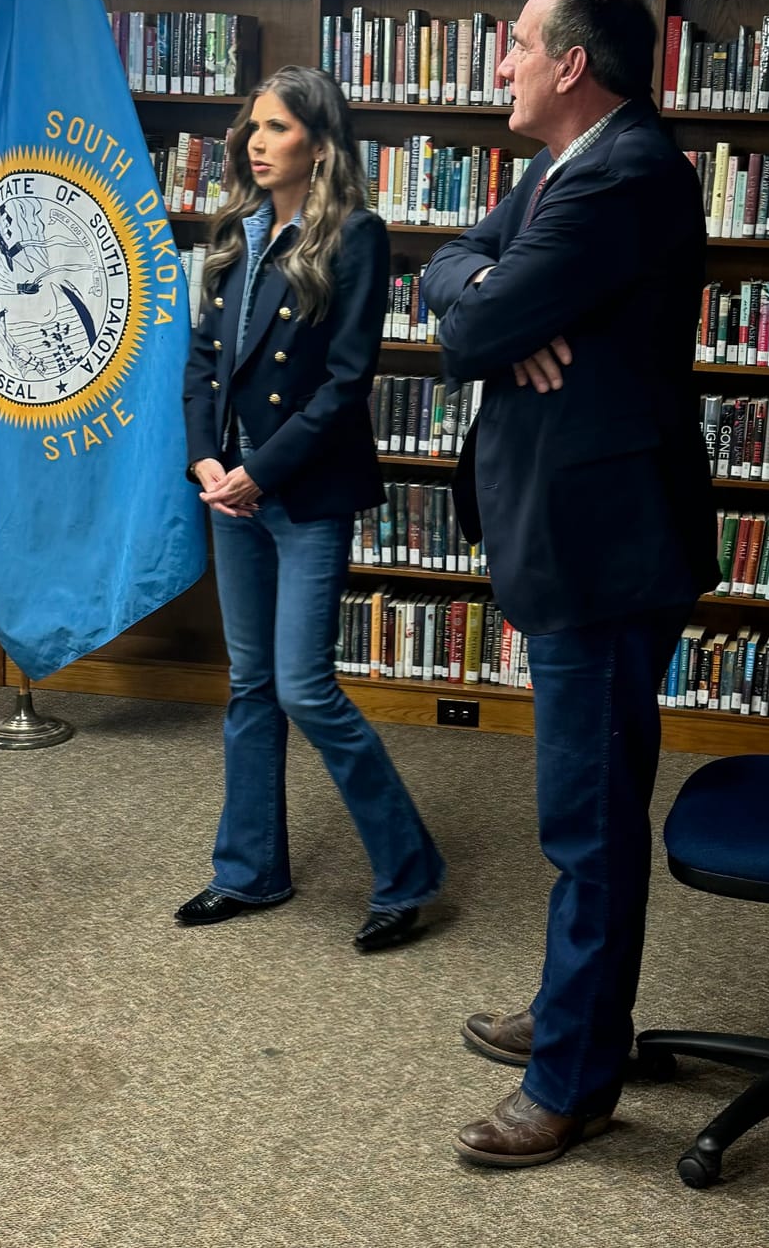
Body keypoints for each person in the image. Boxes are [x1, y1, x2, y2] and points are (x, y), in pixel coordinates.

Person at [423, 0, 719, 1168]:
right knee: (578, 811)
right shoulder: (562, 167)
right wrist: (492, 294)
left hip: (605, 552)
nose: (496, 65)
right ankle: (570, 1013)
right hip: (570, 532)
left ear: (570, 65)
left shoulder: (629, 173)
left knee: (586, 824)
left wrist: (495, 314)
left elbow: (467, 330)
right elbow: (446, 268)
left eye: (514, 45)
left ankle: (574, 1080)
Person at [179, 64, 444, 954]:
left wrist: (261, 470)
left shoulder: (356, 236)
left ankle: (408, 872)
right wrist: (207, 458)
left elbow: (344, 384)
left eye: (278, 128)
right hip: (232, 493)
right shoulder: (233, 232)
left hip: (303, 492)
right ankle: (248, 869)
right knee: (250, 685)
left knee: (304, 686)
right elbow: (201, 361)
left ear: (320, 144)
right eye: (252, 127)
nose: (257, 142)